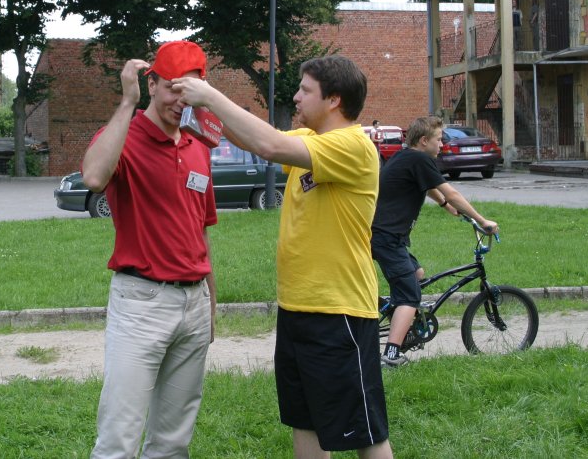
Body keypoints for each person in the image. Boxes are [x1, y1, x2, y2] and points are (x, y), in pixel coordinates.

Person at [174, 54, 392, 459]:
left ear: (334, 100)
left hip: (339, 310)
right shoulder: (312, 140)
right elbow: (254, 139)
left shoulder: (353, 146)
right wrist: (204, 111)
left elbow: (269, 144)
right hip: (297, 307)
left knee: (365, 431)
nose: (296, 97)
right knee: (304, 419)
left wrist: (210, 94)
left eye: (305, 90)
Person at [83, 40, 218, 459]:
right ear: (153, 83)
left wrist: (211, 304)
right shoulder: (125, 135)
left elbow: (200, 232)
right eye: (174, 88)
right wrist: (127, 102)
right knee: (119, 437)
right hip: (142, 302)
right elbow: (93, 177)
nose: (182, 101)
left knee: (173, 440)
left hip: (194, 303)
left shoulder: (197, 147)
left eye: (191, 91)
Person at [371, 115, 498, 368]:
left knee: (416, 274)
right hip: (387, 238)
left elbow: (429, 187)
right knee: (410, 296)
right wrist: (482, 220)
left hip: (385, 236)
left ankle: (400, 320)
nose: (442, 144)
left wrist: (444, 205)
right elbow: (451, 191)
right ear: (423, 140)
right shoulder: (420, 159)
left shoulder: (405, 156)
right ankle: (391, 356)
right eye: (439, 140)